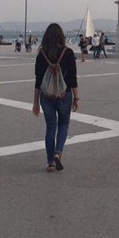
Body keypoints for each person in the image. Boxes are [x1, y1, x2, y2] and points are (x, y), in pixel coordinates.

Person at [33, 23, 79, 171]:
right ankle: (58, 153)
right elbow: (72, 78)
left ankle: (50, 163)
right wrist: (76, 98)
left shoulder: (41, 55)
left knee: (50, 127)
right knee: (64, 125)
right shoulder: (68, 53)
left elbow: (38, 81)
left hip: (46, 96)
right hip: (64, 94)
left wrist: (35, 102)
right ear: (61, 36)